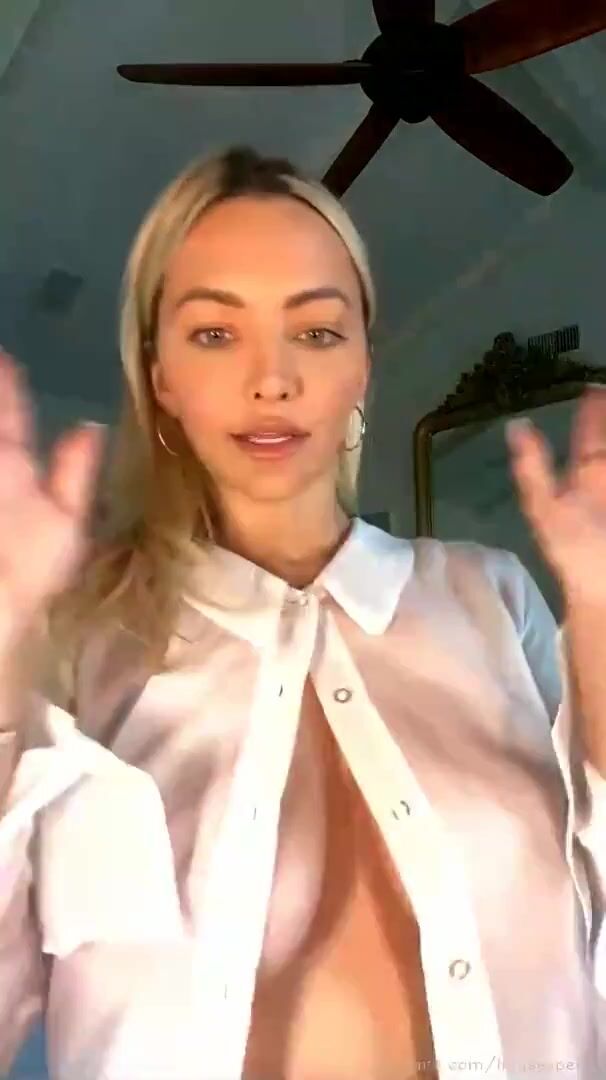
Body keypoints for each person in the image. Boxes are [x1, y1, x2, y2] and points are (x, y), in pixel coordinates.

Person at [0, 146, 605, 1080]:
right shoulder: (75, 640)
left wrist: (600, 609)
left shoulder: (488, 594)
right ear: (160, 376)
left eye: (317, 332)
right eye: (214, 334)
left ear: (362, 364)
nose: (272, 379)